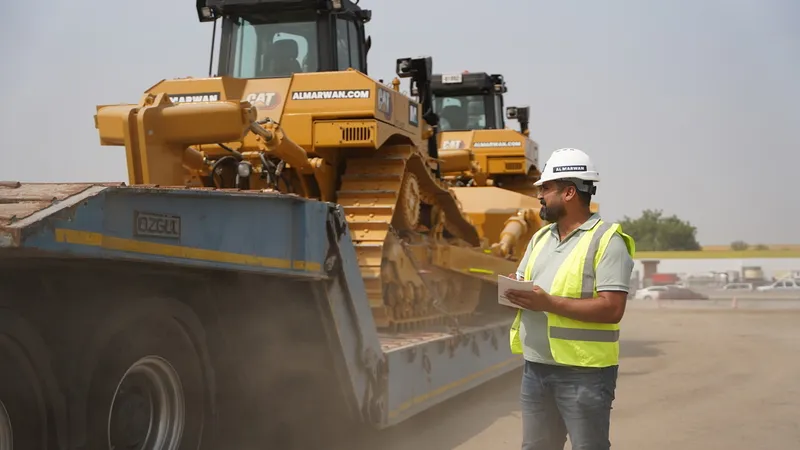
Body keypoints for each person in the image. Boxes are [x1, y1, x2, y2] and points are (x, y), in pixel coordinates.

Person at [503, 147, 636, 450]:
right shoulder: (540, 238)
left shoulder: (607, 241)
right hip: (536, 369)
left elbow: (613, 308)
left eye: (546, 189)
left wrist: (548, 303)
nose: (539, 196)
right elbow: (525, 282)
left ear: (569, 192)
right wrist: (514, 288)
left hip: (583, 374)